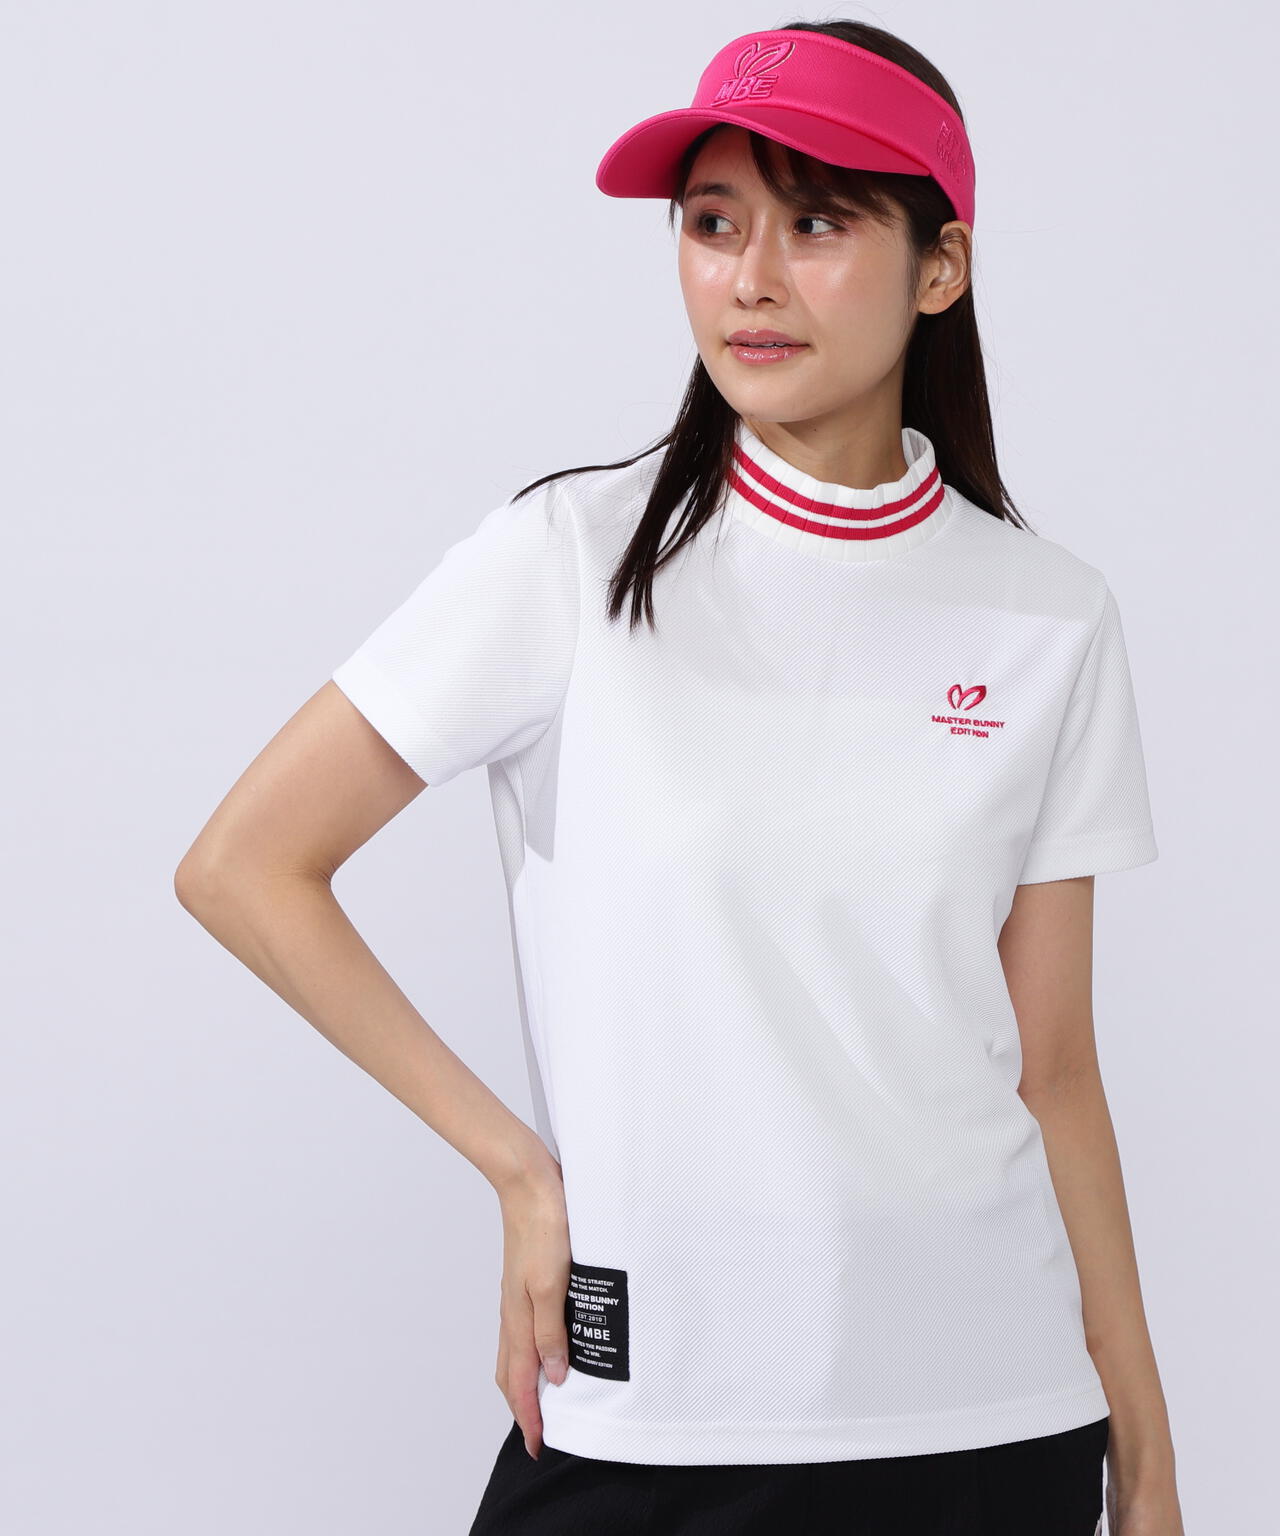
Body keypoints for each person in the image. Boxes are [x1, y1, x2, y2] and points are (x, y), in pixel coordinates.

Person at [174, 18, 1186, 1536]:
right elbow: (246, 867)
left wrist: (1148, 1461)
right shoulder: (572, 560)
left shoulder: (1049, 617)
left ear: (940, 268)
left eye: (817, 224)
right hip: (654, 1414)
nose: (751, 278)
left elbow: (1056, 1074)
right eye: (713, 224)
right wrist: (518, 1171)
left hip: (990, 1417)